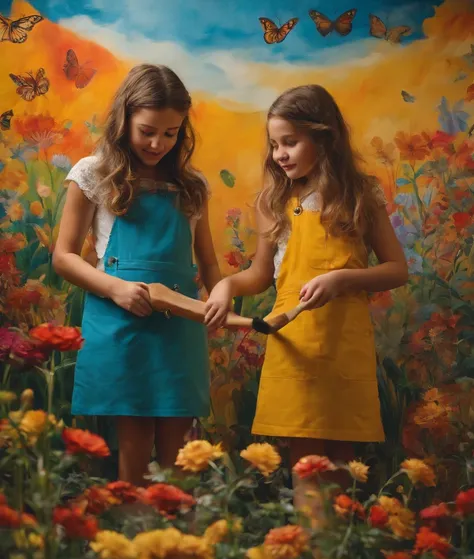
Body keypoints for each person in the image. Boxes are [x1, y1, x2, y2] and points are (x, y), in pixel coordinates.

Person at [205, 84, 408, 521]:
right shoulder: (272, 202)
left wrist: (341, 279)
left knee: (341, 458)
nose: (279, 154)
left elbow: (397, 270)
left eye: (290, 142)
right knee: (305, 460)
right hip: (292, 343)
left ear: (325, 137)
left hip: (343, 345)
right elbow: (260, 275)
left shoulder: (358, 196)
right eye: (274, 144)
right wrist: (225, 286)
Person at [53, 64, 223, 484]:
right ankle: (133, 546)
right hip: (121, 322)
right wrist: (116, 289)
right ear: (123, 118)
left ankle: (176, 544)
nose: (158, 143)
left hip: (179, 326)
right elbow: (64, 256)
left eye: (170, 133)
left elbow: (209, 264)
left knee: (178, 457)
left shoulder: (192, 185)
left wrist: (220, 300)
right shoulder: (93, 173)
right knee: (131, 450)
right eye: (147, 130)